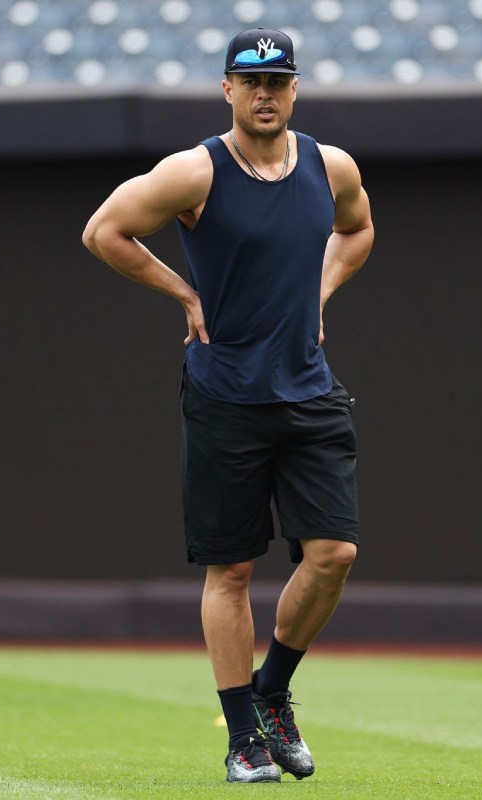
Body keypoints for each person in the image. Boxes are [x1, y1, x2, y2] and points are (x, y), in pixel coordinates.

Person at [82, 27, 375, 784]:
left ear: (296, 88)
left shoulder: (330, 166)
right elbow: (104, 230)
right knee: (232, 572)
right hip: (225, 396)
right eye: (252, 82)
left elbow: (359, 228)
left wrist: (322, 289)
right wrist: (182, 291)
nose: (265, 94)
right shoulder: (195, 173)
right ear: (227, 90)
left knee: (334, 554)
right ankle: (244, 738)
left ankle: (273, 690)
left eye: (278, 81)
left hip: (309, 388)